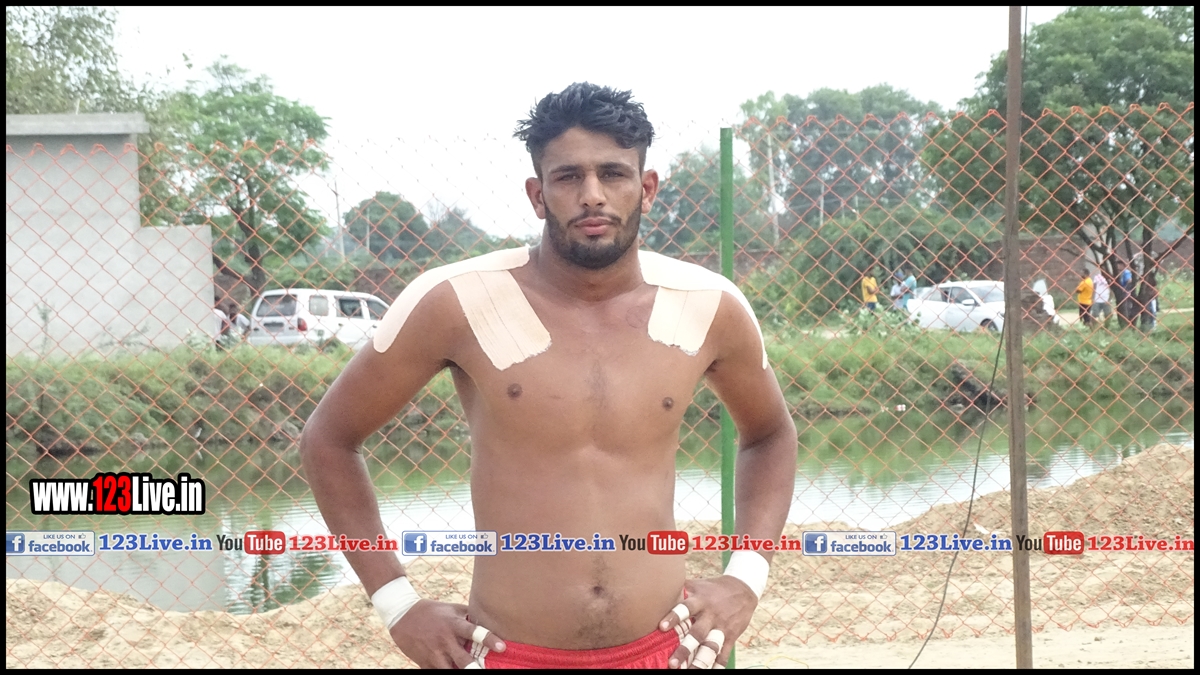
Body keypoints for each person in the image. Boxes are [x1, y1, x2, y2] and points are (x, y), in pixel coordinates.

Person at [300, 83, 797, 670]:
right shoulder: (459, 302)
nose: (593, 195)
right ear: (538, 195)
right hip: (506, 654)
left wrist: (746, 577)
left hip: (668, 650)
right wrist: (396, 604)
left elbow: (770, 434)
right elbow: (329, 440)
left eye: (613, 174)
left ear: (647, 187)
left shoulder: (707, 305)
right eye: (568, 177)